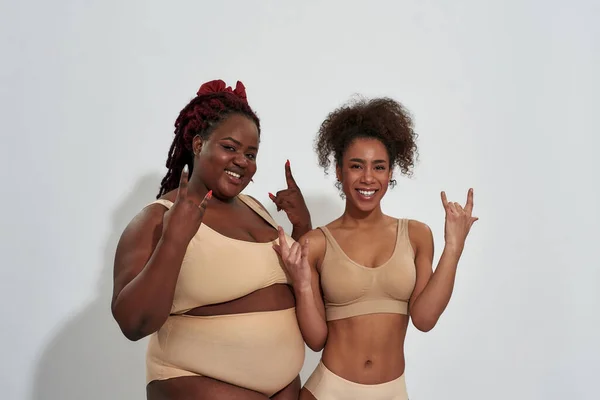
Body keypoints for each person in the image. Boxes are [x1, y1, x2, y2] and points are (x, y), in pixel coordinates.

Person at [111, 79, 312, 400]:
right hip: (194, 380)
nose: (242, 160)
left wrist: (302, 227)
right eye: (230, 147)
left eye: (251, 153)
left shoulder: (256, 207)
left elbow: (294, 282)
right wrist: (173, 241)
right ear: (198, 144)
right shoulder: (157, 217)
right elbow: (132, 324)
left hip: (285, 387)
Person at [274, 97, 478, 399]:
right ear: (339, 171)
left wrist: (454, 248)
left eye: (378, 167)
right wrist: (302, 284)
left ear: (391, 173)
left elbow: (424, 319)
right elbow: (316, 340)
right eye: (356, 166)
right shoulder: (316, 243)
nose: (368, 178)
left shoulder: (417, 235)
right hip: (328, 390)